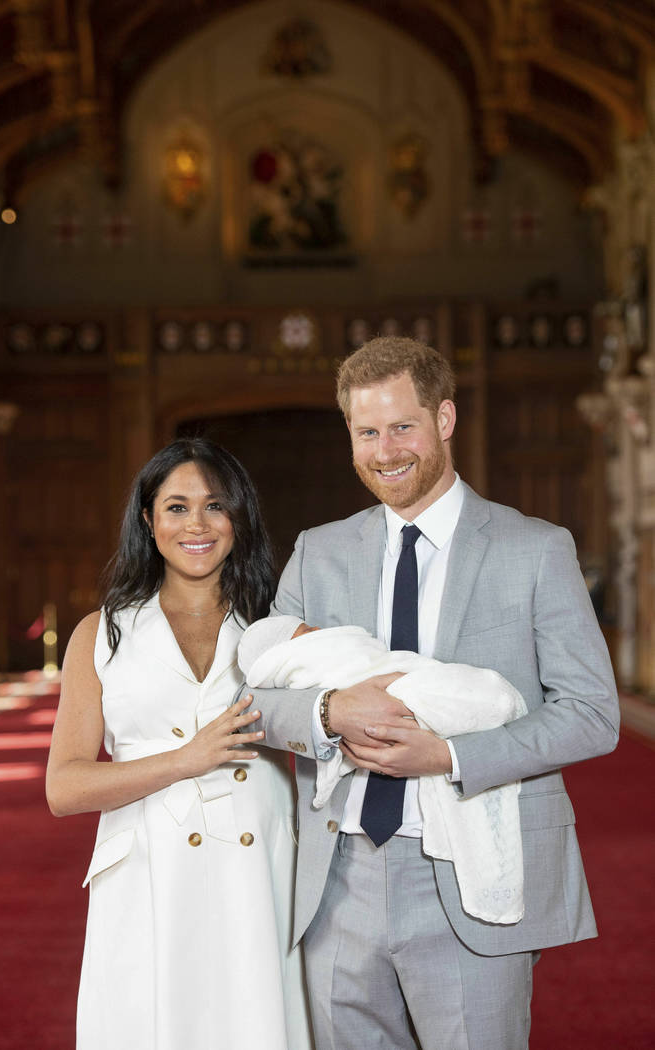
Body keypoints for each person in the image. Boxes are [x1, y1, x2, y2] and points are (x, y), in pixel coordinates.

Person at [243, 338, 620, 1050]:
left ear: (444, 419)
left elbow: (592, 714)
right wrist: (330, 711)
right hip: (338, 876)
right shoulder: (318, 551)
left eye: (402, 426)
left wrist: (447, 754)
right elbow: (255, 698)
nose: (385, 450)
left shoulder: (535, 548)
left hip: (471, 869)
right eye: (366, 432)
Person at [46, 437, 313, 1050]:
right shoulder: (103, 633)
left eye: (216, 506)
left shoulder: (279, 627)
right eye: (176, 507)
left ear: (238, 517)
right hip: (146, 875)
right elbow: (64, 788)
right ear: (148, 519)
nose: (197, 524)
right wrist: (183, 760)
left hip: (261, 871)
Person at [238, 614, 528, 925]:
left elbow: (584, 707)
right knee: (454, 697)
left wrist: (450, 756)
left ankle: (490, 700)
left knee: (467, 694)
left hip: (442, 854)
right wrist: (330, 711)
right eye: (308, 632)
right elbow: (250, 704)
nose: (320, 631)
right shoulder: (308, 570)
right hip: (341, 862)